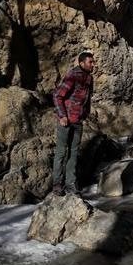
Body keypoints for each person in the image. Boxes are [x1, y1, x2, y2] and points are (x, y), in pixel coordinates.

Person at [52, 51, 95, 195]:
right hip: (66, 121)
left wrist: (86, 114)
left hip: (78, 122)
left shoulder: (89, 78)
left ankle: (71, 183)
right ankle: (57, 184)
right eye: (90, 62)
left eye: (93, 61)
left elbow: (87, 99)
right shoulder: (73, 75)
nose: (93, 64)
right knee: (61, 152)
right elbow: (57, 96)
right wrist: (62, 116)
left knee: (74, 154)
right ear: (82, 63)